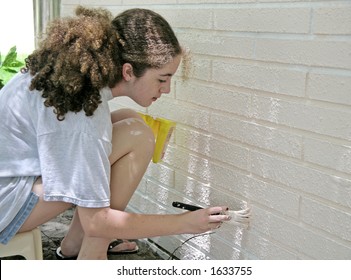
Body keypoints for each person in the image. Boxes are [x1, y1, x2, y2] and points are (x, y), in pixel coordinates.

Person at [0, 6, 230, 260]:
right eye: (162, 79)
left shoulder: (69, 82)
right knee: (138, 137)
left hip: (12, 182)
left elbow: (72, 136)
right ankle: (92, 256)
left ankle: (74, 247)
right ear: (129, 71)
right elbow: (98, 222)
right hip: (6, 207)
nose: (166, 90)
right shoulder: (85, 113)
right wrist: (186, 222)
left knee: (131, 122)